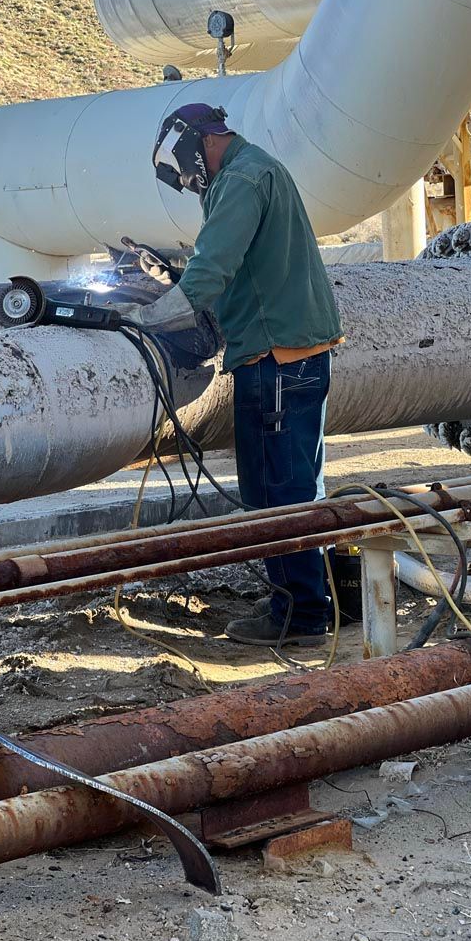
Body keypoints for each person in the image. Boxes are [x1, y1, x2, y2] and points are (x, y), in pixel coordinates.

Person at [118, 102, 343, 648]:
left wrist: (143, 320)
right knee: (300, 486)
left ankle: (299, 615)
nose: (186, 179)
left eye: (182, 166)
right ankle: (312, 598)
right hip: (297, 354)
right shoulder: (256, 168)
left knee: (274, 492)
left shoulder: (240, 180)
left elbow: (212, 271)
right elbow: (244, 264)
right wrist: (175, 276)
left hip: (274, 360)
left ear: (198, 143)